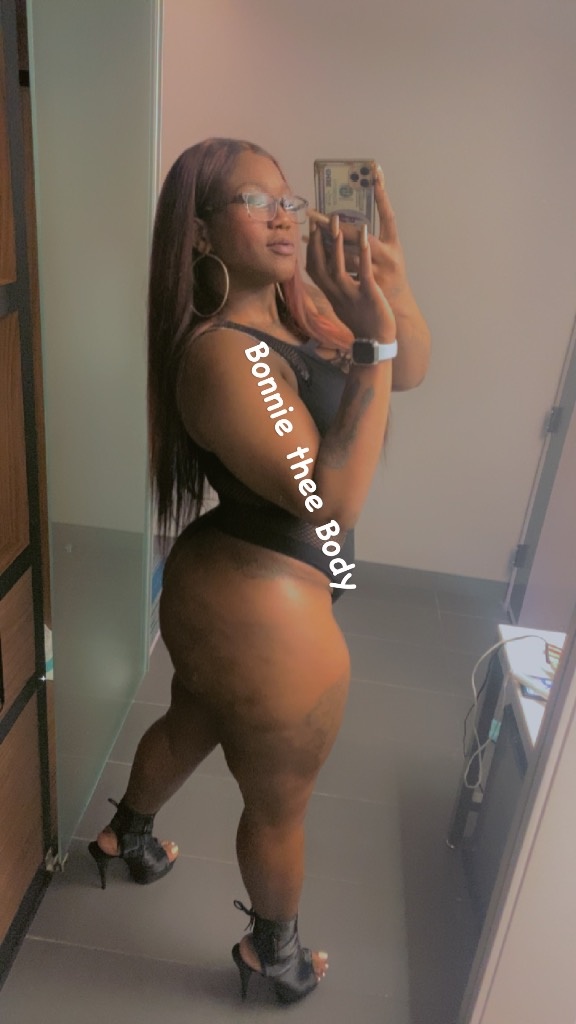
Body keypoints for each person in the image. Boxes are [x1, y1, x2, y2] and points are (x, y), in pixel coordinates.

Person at [88, 138, 430, 1004]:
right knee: (280, 803)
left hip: (237, 587)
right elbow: (329, 501)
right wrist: (374, 343)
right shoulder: (227, 355)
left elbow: (410, 372)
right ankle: (273, 954)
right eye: (254, 200)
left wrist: (391, 293)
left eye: (288, 199)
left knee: (195, 714)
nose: (283, 216)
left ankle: (125, 836)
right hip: (260, 605)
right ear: (200, 232)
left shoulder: (297, 316)